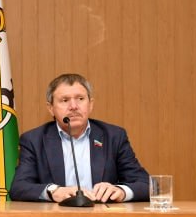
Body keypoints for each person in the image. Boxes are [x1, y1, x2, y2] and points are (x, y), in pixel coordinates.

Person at [9, 73, 149, 203]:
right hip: (56, 216)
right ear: (50, 108)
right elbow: (19, 187)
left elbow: (145, 184)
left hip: (101, 215)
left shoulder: (113, 136)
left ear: (90, 104)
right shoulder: (34, 140)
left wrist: (121, 191)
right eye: (65, 100)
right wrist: (54, 191)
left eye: (80, 99)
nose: (74, 106)